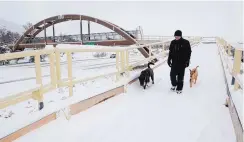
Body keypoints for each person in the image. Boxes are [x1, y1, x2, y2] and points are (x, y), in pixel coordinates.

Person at [167, 30, 192, 94]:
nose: (176, 37)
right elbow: (170, 52)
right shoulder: (173, 42)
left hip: (182, 62)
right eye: (175, 36)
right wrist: (169, 59)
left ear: (181, 36)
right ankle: (174, 85)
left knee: (180, 76)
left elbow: (189, 53)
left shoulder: (186, 42)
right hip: (174, 62)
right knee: (172, 75)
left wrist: (187, 61)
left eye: (178, 36)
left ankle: (179, 88)